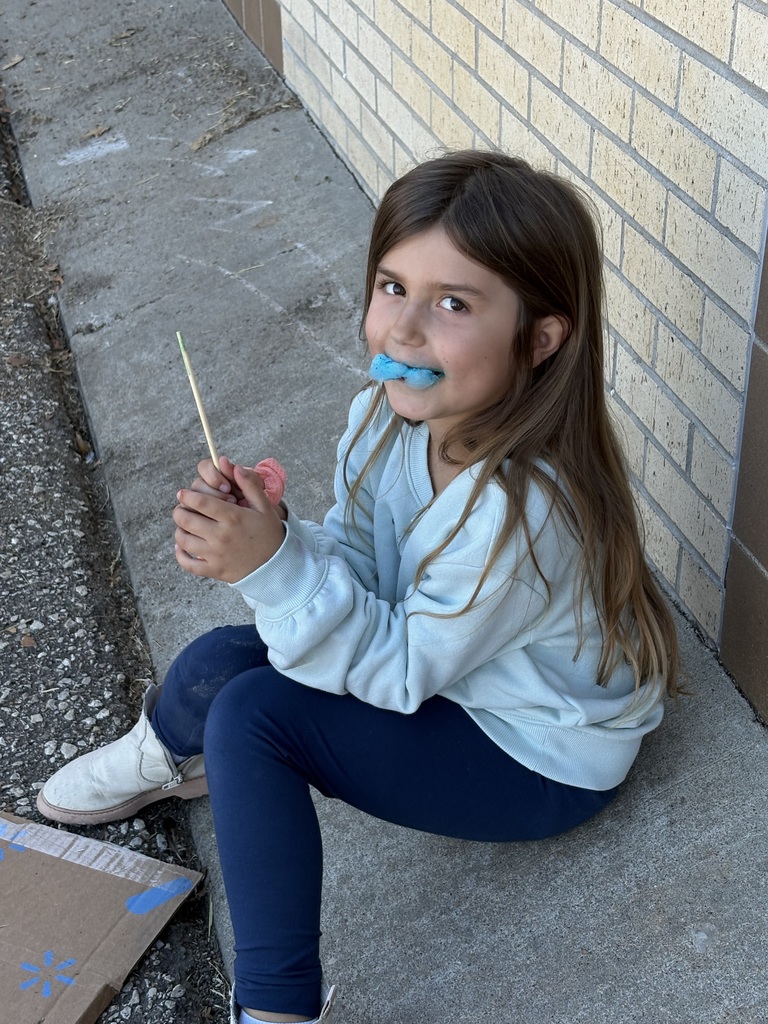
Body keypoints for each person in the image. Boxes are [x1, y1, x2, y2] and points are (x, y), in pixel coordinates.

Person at [37, 150, 679, 1024]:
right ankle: (162, 755)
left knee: (254, 717)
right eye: (392, 286)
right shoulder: (385, 417)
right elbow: (360, 564)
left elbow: (400, 670)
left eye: (454, 303)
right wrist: (279, 536)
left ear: (540, 338)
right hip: (444, 664)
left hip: (538, 753)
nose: (403, 330)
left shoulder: (523, 515)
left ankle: (277, 1006)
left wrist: (270, 569)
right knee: (225, 659)